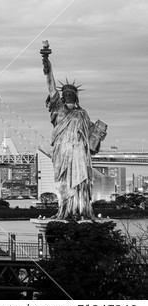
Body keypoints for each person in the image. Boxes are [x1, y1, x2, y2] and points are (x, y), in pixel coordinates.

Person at [41, 41, 106, 220]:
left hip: (79, 152)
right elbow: (50, 84)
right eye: (66, 94)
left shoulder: (82, 114)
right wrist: (46, 61)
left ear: (76, 97)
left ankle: (81, 209)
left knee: (81, 181)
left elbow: (92, 138)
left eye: (71, 94)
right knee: (62, 181)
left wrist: (99, 135)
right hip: (62, 151)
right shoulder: (58, 108)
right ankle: (65, 209)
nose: (68, 96)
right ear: (61, 97)